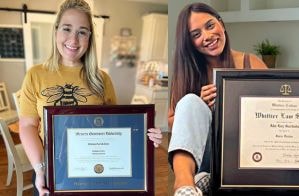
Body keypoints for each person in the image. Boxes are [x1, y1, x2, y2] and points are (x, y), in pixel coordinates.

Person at [14, 1, 161, 195]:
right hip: (50, 171)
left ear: (90, 38)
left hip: (93, 171)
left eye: (82, 32)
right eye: (67, 29)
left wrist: (143, 134)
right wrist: (41, 171)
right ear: (56, 30)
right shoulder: (35, 75)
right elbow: (27, 126)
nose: (73, 40)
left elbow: (114, 129)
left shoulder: (102, 79)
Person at [159, 2, 267, 195]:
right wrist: (202, 110)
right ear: (189, 43)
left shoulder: (251, 62)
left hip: (246, 152)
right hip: (206, 156)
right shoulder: (186, 73)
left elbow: (275, 108)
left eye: (210, 26)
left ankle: (207, 180)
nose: (207, 36)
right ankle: (185, 187)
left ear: (221, 24)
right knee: (190, 102)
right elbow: (173, 122)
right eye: (196, 34)